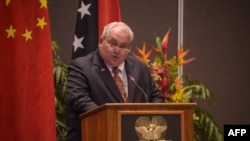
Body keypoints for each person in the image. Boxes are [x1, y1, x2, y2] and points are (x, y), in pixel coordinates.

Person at [65, 21, 164, 141]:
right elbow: (79, 100)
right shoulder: (81, 67)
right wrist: (114, 119)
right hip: (95, 135)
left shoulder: (140, 68)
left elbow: (156, 97)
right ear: (101, 41)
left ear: (129, 49)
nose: (117, 50)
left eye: (123, 46)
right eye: (113, 43)